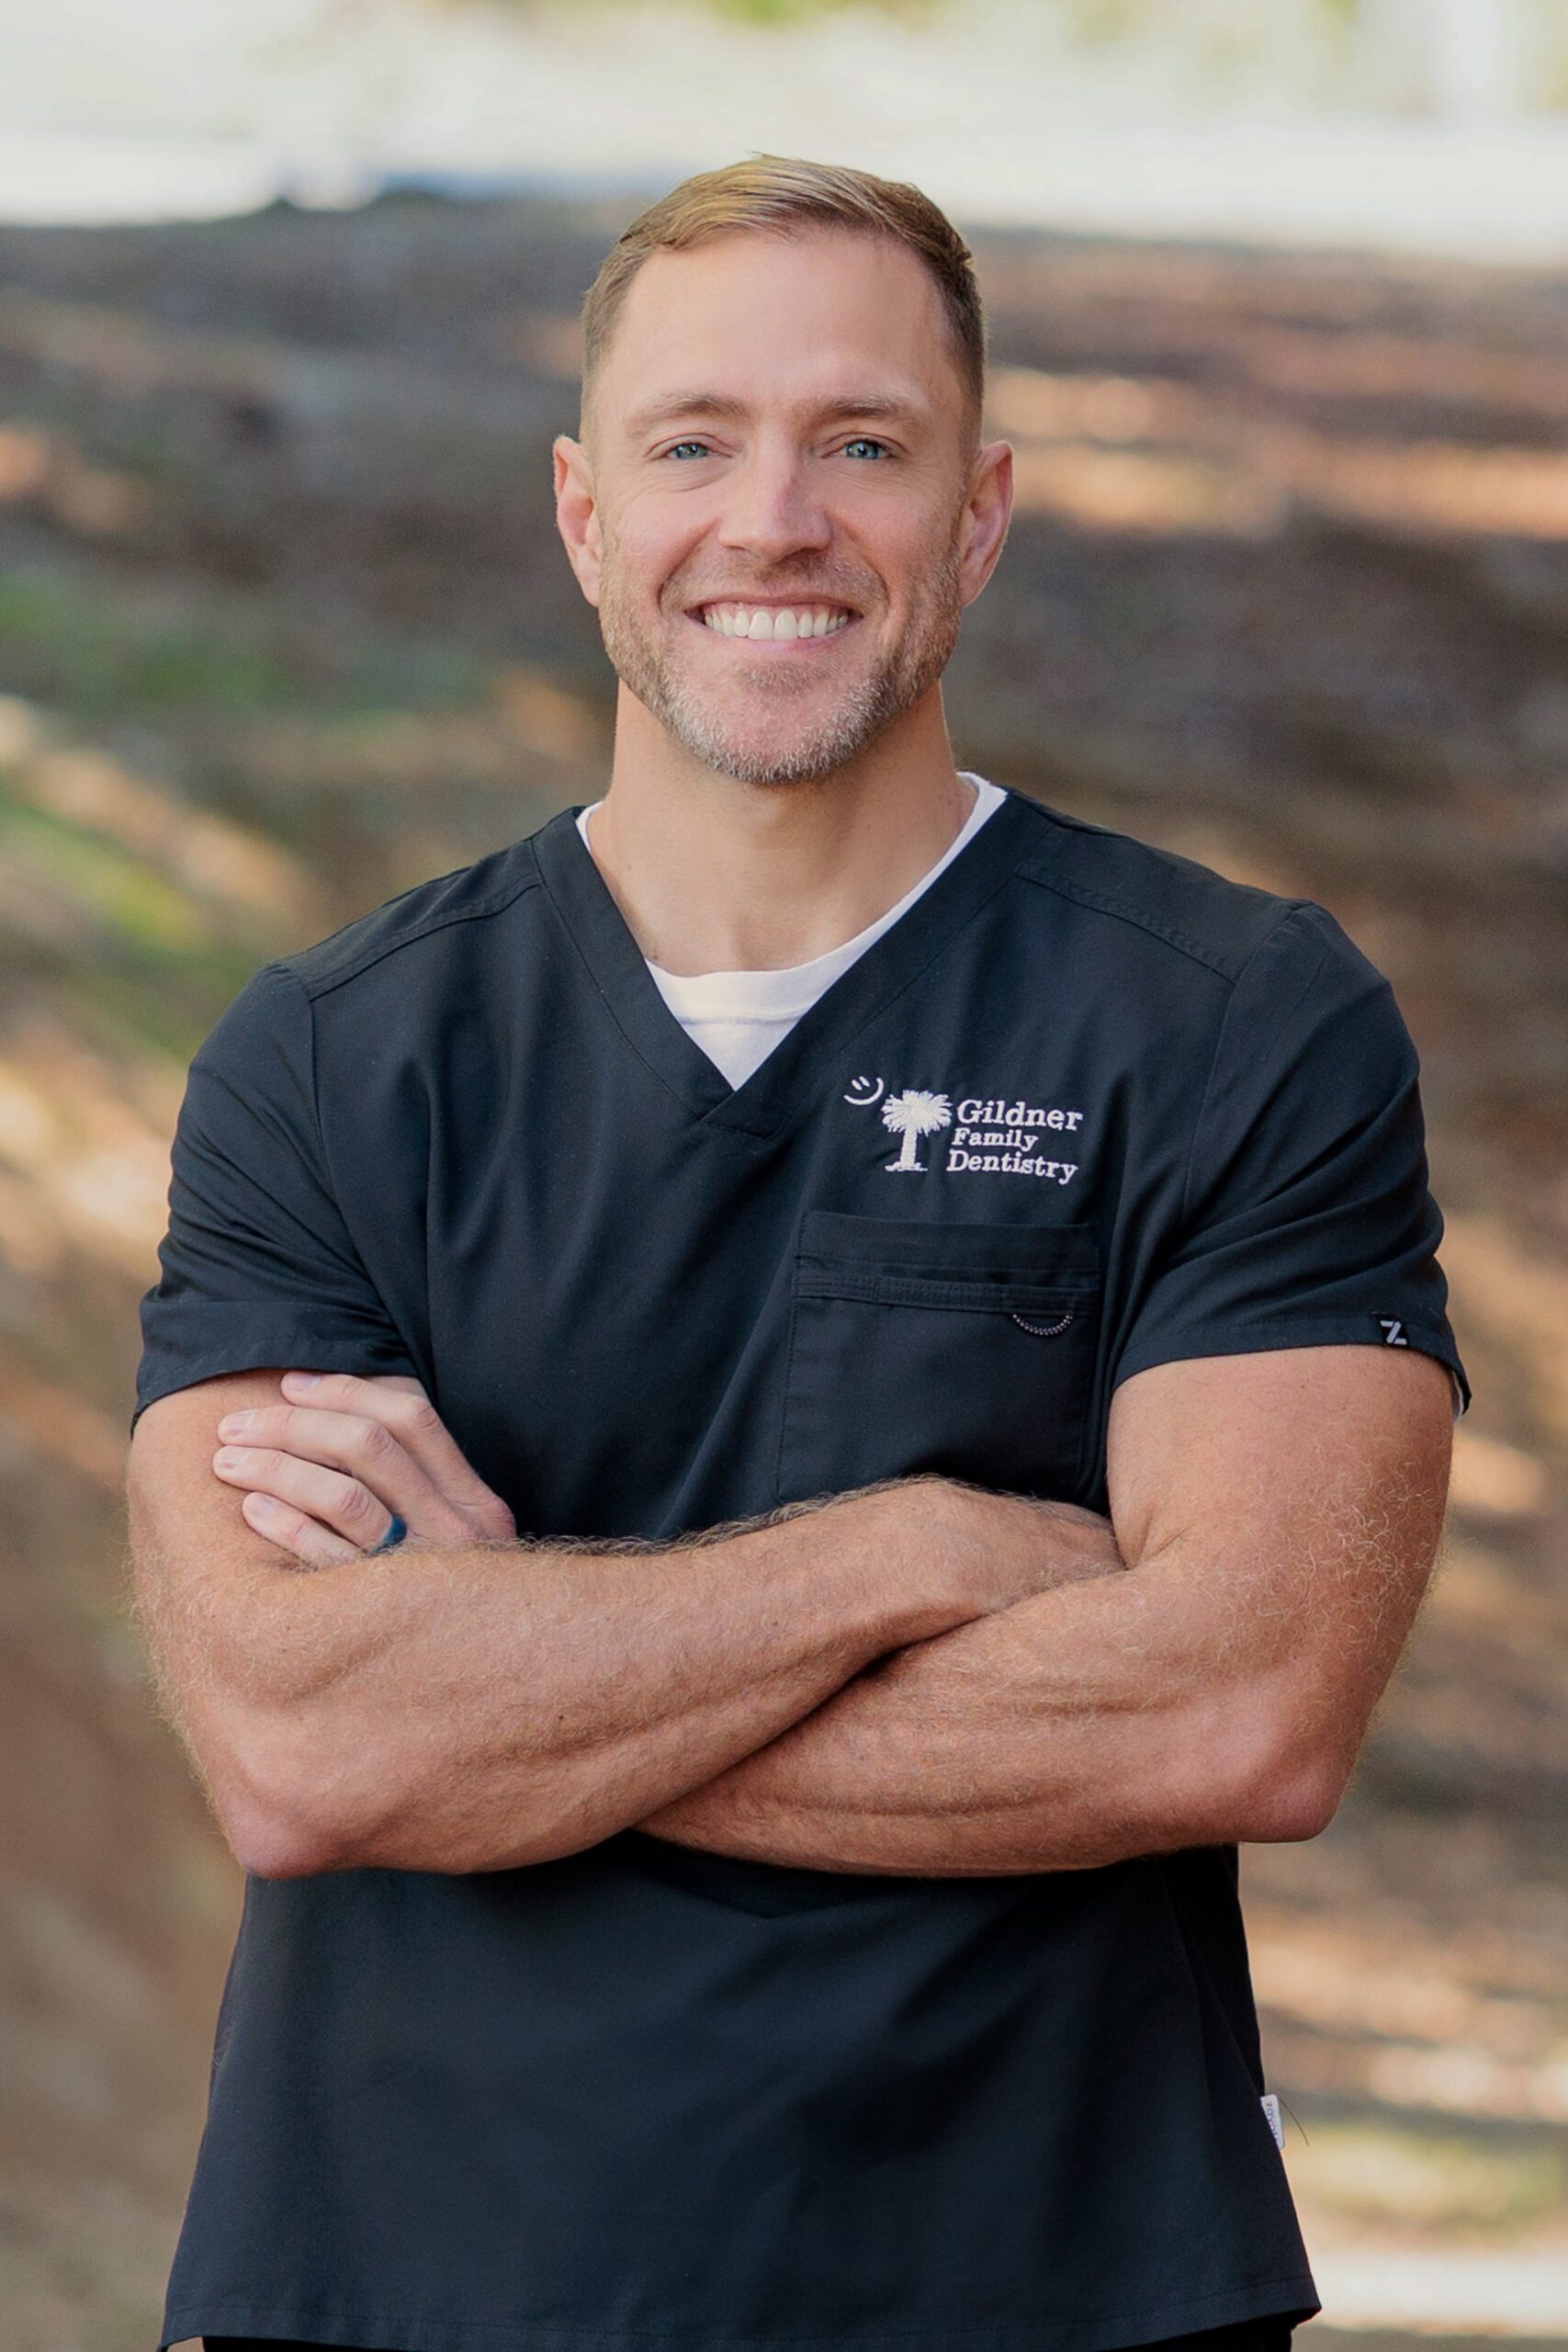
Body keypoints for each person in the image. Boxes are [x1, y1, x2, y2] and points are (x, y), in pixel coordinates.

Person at [126, 155, 1467, 2352]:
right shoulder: (338, 1057)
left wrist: (501, 1686)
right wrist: (916, 1552)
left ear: (979, 508)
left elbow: (1234, 1703)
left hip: (1045, 2283)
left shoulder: (1228, 1018)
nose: (774, 519)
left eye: (861, 442)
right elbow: (300, 1752)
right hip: (405, 2278)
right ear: (580, 513)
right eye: (692, 442)